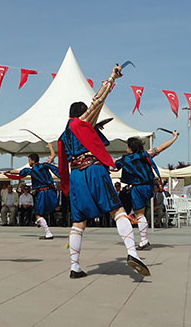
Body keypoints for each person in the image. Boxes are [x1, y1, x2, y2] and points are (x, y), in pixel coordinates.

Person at [58, 64, 149, 279]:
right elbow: (97, 101)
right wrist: (112, 77)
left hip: (76, 175)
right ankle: (132, 253)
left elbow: (63, 166)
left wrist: (67, 187)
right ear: (81, 115)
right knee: (117, 211)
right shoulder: (80, 123)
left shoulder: (63, 136)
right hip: (93, 170)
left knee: (78, 223)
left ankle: (74, 267)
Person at [113, 130, 179, 250]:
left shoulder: (126, 159)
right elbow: (161, 148)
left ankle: (144, 240)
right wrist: (174, 138)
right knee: (139, 213)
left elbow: (112, 166)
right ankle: (133, 217)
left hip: (138, 188)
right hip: (149, 187)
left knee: (140, 214)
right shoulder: (146, 155)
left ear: (130, 148)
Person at [6, 143, 59, 239]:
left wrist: (7, 172)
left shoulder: (31, 170)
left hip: (42, 193)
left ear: (32, 161)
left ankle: (48, 232)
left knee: (38, 214)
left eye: (29, 160)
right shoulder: (44, 165)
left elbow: (18, 172)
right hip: (51, 192)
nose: (28, 162)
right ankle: (39, 222)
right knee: (43, 212)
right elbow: (53, 156)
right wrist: (51, 147)